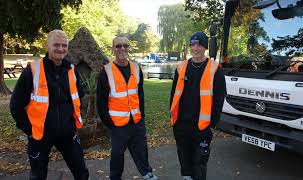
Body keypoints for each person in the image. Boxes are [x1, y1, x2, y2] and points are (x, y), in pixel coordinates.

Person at [10, 29, 89, 180]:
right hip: (40, 135)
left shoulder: (72, 71)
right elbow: (16, 105)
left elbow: (80, 95)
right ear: (48, 46)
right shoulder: (33, 71)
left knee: (81, 173)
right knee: (38, 175)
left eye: (64, 45)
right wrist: (29, 129)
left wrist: (72, 123)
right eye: (56, 45)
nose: (61, 49)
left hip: (67, 133)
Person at [96, 35, 158, 180]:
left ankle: (147, 173)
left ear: (128, 48)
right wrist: (109, 123)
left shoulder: (136, 68)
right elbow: (101, 101)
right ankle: (115, 177)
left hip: (136, 121)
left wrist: (141, 114)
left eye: (125, 45)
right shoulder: (106, 71)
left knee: (141, 150)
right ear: (113, 49)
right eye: (118, 46)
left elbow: (140, 93)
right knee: (117, 155)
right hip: (118, 124)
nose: (122, 48)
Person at [170, 32, 226, 180]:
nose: (195, 48)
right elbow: (173, 94)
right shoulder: (181, 67)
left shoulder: (215, 69)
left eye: (199, 44)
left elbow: (220, 99)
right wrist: (173, 119)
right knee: (184, 159)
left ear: (205, 47)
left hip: (202, 126)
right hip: (181, 124)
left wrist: (212, 123)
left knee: (200, 163)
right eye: (193, 44)